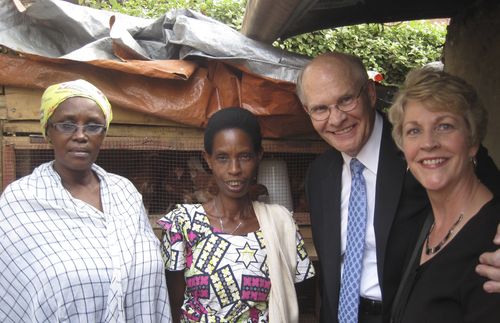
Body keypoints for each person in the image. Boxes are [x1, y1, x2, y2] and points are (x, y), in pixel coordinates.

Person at [295, 51, 500, 323]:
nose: (336, 119)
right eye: (320, 108)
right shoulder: (319, 175)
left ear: (369, 93)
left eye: (345, 100)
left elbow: (488, 197)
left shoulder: (423, 153)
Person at [0, 79, 172, 322]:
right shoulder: (21, 200)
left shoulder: (125, 193)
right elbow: (14, 294)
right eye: (67, 125)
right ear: (48, 131)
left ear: (104, 134)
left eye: (93, 126)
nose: (80, 135)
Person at [157, 107, 315, 322]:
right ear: (208, 159)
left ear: (258, 156)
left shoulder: (280, 224)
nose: (234, 169)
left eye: (245, 156)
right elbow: (173, 307)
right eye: (222, 158)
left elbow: (296, 300)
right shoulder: (183, 223)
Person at [387, 67, 500, 322]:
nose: (428, 143)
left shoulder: (494, 244)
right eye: (414, 130)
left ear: (472, 142)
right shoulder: (423, 226)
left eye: (445, 126)